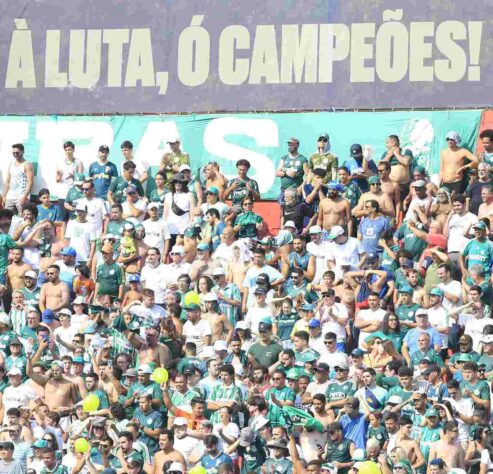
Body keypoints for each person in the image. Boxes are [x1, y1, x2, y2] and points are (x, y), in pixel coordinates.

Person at [439, 132, 479, 196]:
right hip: (444, 182)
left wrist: (463, 167)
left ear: (456, 140)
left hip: (456, 182)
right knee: (445, 203)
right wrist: (439, 180)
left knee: (455, 202)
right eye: (448, 139)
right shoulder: (443, 152)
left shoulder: (462, 151)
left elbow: (477, 160)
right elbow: (441, 168)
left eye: (452, 139)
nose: (450, 141)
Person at [3, 144, 34, 214]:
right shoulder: (11, 164)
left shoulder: (27, 164)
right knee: (6, 217)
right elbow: (7, 181)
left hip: (21, 197)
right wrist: (4, 196)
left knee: (22, 218)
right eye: (13, 153)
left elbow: (30, 182)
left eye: (17, 153)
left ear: (23, 152)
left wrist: (25, 196)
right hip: (10, 197)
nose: (15, 154)